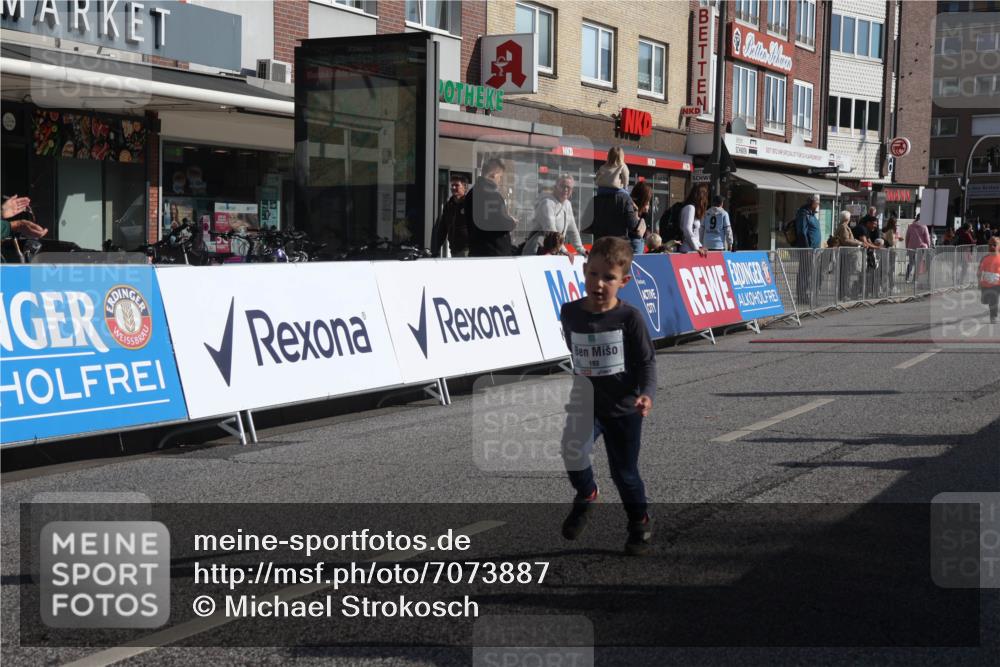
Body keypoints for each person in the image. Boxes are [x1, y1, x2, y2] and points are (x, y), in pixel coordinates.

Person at [559, 237, 656, 556]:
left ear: (624, 281)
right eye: (593, 274)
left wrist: (646, 394)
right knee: (572, 451)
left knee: (624, 474)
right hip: (586, 404)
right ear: (584, 271)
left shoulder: (630, 318)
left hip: (624, 409)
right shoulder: (569, 312)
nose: (599, 283)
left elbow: (645, 362)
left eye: (609, 278)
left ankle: (639, 522)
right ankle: (587, 494)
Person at [464, 158, 517, 257]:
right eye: (500, 176)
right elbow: (500, 223)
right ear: (494, 174)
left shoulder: (471, 193)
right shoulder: (491, 194)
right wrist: (511, 222)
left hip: (477, 251)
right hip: (493, 253)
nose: (500, 180)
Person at [523, 174, 586, 256]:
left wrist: (581, 249)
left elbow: (573, 230)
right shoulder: (547, 203)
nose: (566, 189)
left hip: (554, 250)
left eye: (569, 187)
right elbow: (551, 231)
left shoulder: (567, 204)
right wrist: (564, 251)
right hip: (538, 251)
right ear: (555, 187)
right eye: (563, 186)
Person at [581, 172, 641, 242]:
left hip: (600, 245)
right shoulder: (625, 199)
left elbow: (584, 227)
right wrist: (636, 211)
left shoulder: (594, 200)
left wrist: (598, 229)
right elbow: (633, 226)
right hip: (618, 247)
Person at [794, 194, 822, 306]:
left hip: (814, 250)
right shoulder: (803, 213)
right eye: (817, 203)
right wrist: (806, 248)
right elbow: (802, 232)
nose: (818, 204)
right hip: (807, 250)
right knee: (804, 273)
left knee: (809, 273)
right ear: (812, 203)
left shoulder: (811, 214)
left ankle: (805, 295)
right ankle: (801, 296)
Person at [432, 174, 469, 257]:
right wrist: (436, 249)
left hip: (467, 250)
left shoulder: (470, 204)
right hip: (454, 250)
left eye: (457, 185)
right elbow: (442, 229)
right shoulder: (448, 206)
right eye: (452, 185)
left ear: (464, 187)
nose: (453, 188)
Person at [677, 184, 709, 257]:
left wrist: (700, 246)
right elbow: (687, 229)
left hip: (690, 249)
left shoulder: (690, 208)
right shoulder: (690, 208)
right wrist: (697, 248)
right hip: (687, 250)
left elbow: (693, 233)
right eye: (705, 196)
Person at [979, 236, 1000, 324]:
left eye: (994, 245)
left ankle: (993, 316)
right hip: (987, 284)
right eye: (990, 245)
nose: (992, 247)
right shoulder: (985, 258)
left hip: (997, 283)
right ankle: (993, 315)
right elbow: (980, 271)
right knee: (988, 300)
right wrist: (979, 282)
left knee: (993, 299)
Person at [628, 181, 653, 255]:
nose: (648, 206)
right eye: (647, 202)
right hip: (634, 244)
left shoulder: (639, 212)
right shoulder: (632, 209)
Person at [904, 215, 930, 282]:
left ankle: (907, 278)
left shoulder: (910, 226)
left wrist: (907, 247)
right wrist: (929, 245)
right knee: (918, 264)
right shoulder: (924, 226)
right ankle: (915, 279)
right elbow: (927, 239)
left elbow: (907, 238)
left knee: (911, 263)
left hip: (911, 247)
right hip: (921, 248)